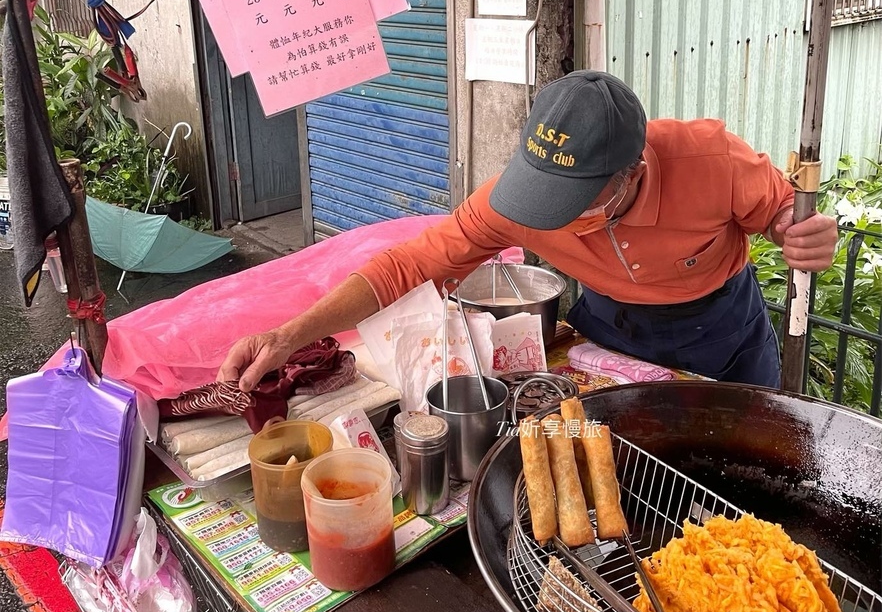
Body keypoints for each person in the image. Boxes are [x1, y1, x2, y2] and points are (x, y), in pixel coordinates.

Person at [219, 71, 838, 391]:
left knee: (735, 486)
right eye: (546, 196)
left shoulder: (712, 158)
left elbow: (785, 212)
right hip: (611, 334)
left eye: (575, 199)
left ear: (632, 171)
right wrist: (289, 335)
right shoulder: (517, 200)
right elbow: (409, 264)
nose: (553, 216)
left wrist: (800, 232)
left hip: (721, 334)